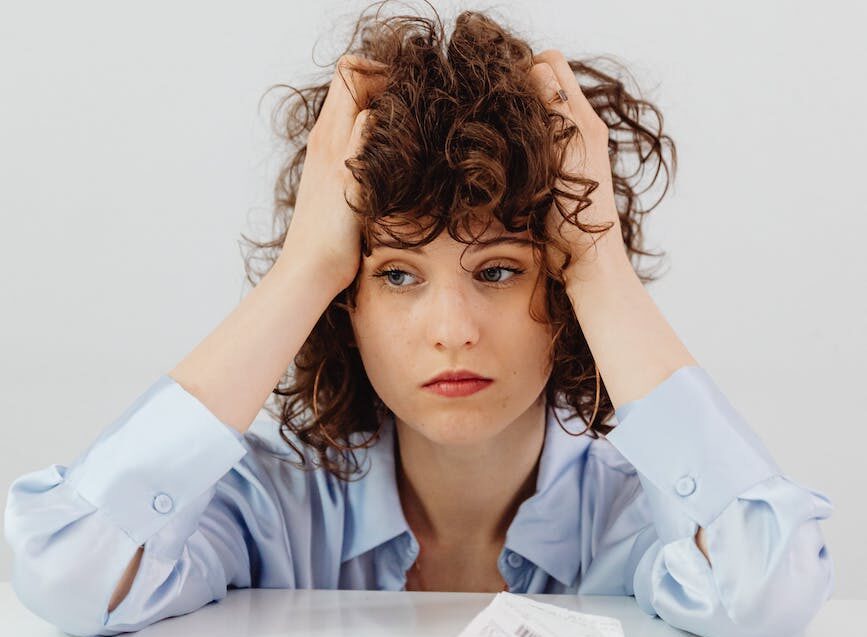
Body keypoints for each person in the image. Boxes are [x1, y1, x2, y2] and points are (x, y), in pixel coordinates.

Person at [4, 3, 833, 636]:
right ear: (346, 305)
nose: (452, 329)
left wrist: (597, 253)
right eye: (397, 274)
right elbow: (73, 575)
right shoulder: (272, 509)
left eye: (499, 271)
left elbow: (763, 592)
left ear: (566, 295)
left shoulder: (633, 518)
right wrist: (307, 265)